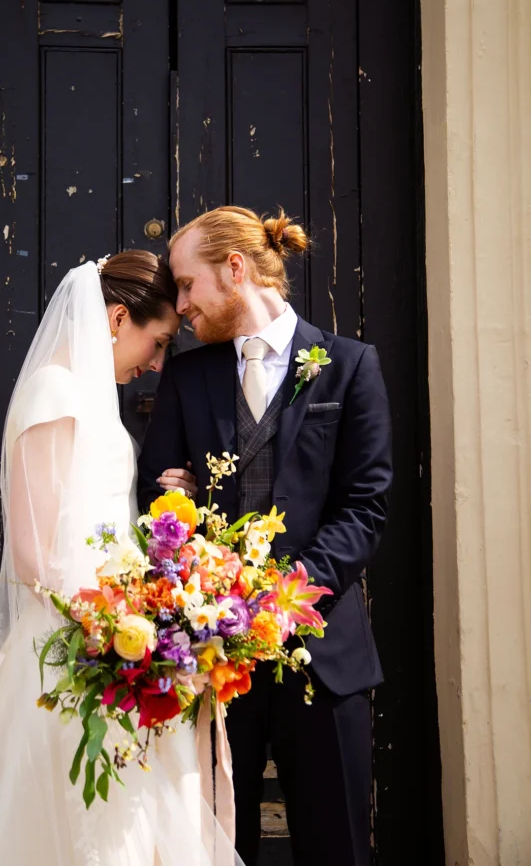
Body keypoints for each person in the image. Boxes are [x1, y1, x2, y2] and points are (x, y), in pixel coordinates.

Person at [0, 251, 241, 866]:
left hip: (108, 647)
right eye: (154, 343)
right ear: (115, 318)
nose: (155, 364)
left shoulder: (89, 397)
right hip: (71, 654)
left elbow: (92, 526)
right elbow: (33, 551)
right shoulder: (55, 390)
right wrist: (113, 629)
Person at [138, 207, 393, 866]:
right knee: (216, 850)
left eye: (188, 284)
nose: (182, 305)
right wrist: (176, 501)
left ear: (235, 268)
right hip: (213, 665)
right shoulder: (187, 378)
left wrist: (282, 604)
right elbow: (152, 505)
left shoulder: (348, 366)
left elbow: (364, 507)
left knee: (335, 847)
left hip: (324, 656)